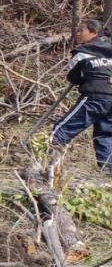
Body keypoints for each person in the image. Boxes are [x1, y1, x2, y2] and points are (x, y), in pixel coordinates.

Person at [50, 18, 112, 171]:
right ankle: (108, 173)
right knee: (105, 135)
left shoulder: (82, 52)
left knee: (60, 131)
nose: (78, 34)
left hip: (94, 98)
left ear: (94, 32)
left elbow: (73, 77)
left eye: (81, 30)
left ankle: (49, 169)